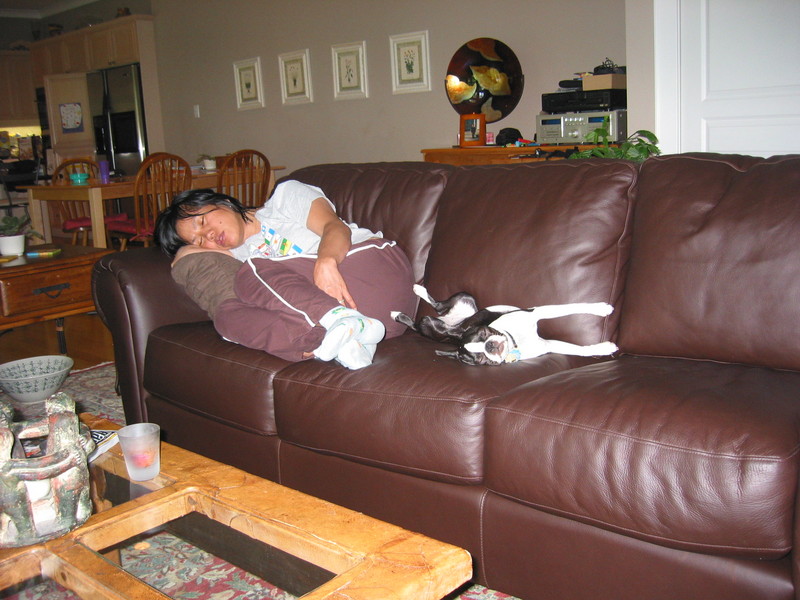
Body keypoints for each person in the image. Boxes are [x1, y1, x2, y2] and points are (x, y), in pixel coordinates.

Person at [154, 182, 416, 369]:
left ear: (221, 202)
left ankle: (339, 320)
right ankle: (334, 340)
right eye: (200, 240)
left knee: (250, 273)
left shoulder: (283, 198)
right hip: (376, 320)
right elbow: (189, 260)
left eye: (202, 222)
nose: (209, 235)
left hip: (372, 269)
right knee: (227, 319)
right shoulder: (236, 259)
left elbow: (334, 227)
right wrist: (186, 249)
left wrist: (326, 261)